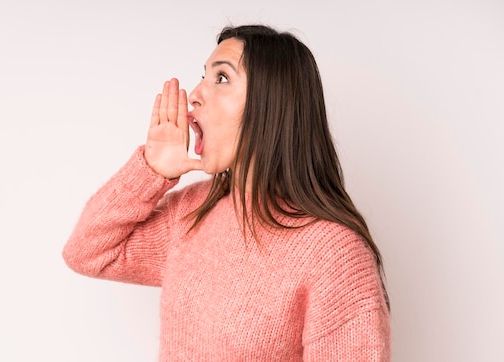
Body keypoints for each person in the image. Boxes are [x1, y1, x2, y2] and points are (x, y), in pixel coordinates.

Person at [63, 24, 390, 361]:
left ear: (271, 102)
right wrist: (151, 171)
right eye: (203, 76)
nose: (194, 94)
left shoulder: (334, 253)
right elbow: (87, 252)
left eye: (221, 78)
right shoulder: (193, 211)